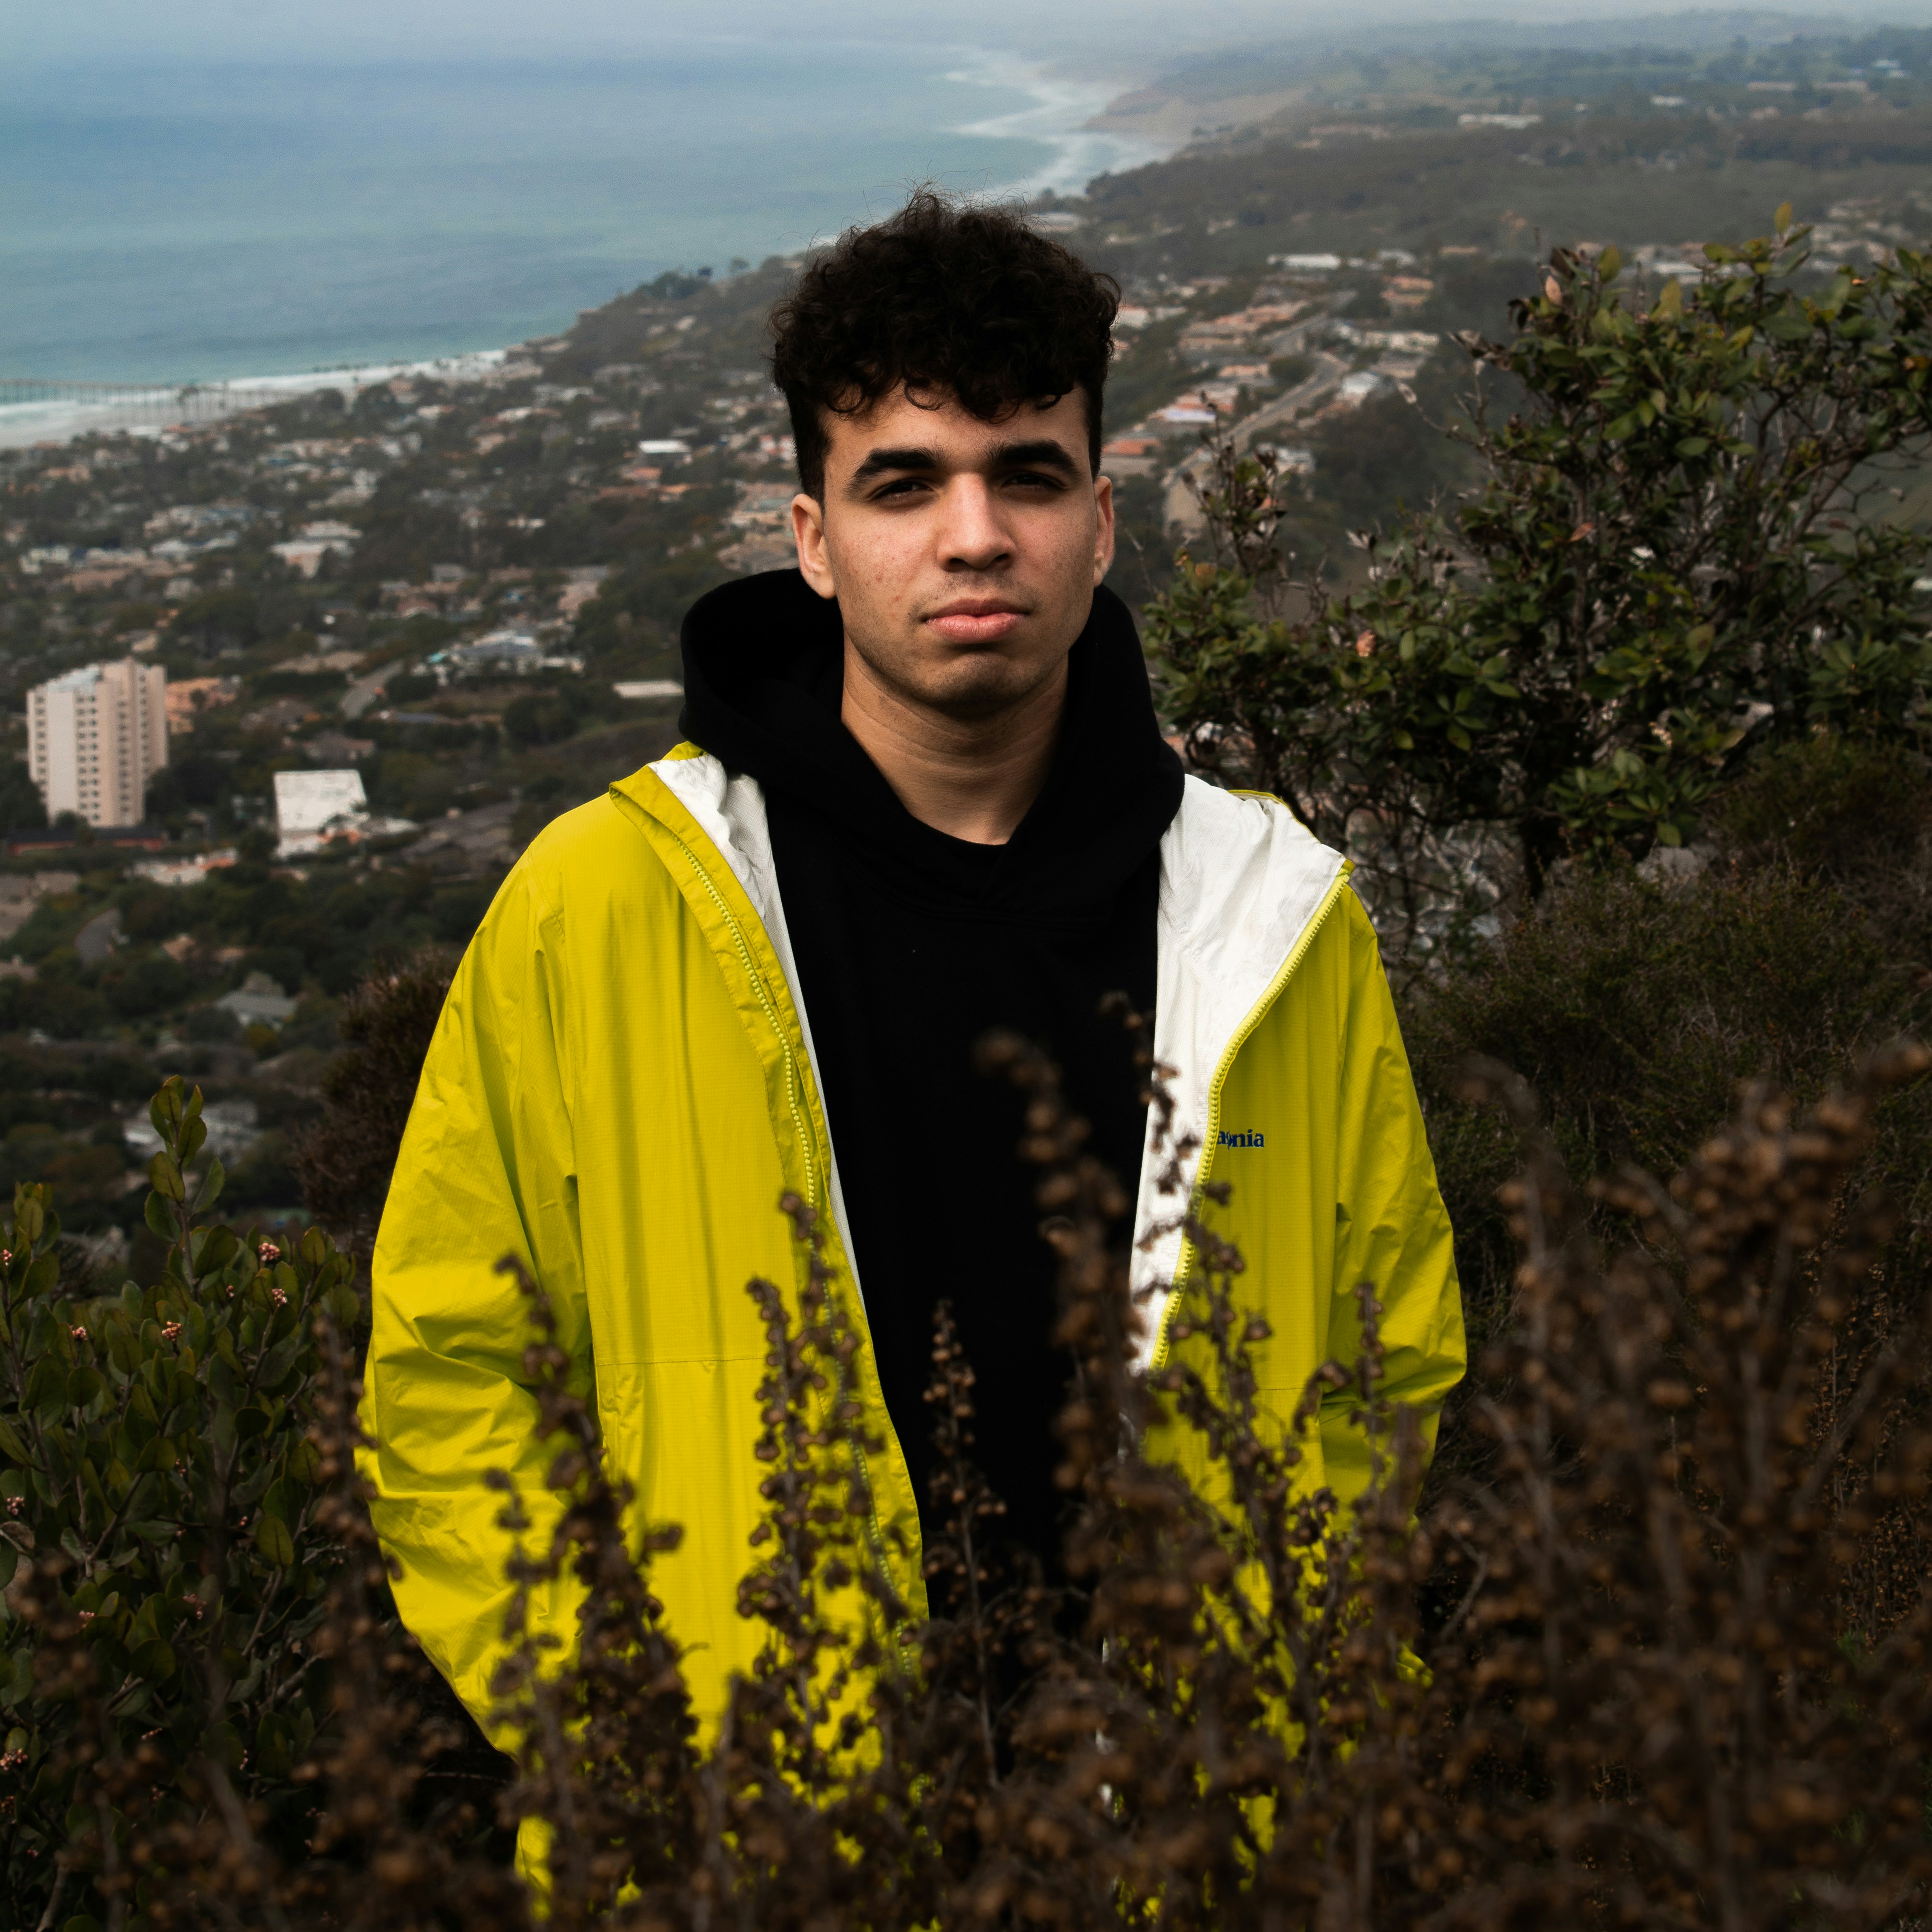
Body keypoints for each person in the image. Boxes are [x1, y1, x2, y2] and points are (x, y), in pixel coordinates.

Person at [364, 191, 1464, 1750]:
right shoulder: (599, 906)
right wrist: (630, 1756)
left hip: (1199, 1836)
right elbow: (451, 1382)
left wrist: (1298, 1725)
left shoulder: (1273, 921)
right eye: (903, 482)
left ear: (1099, 515)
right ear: (812, 538)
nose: (973, 534)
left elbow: (1386, 1368)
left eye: (1028, 473)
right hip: (759, 1841)